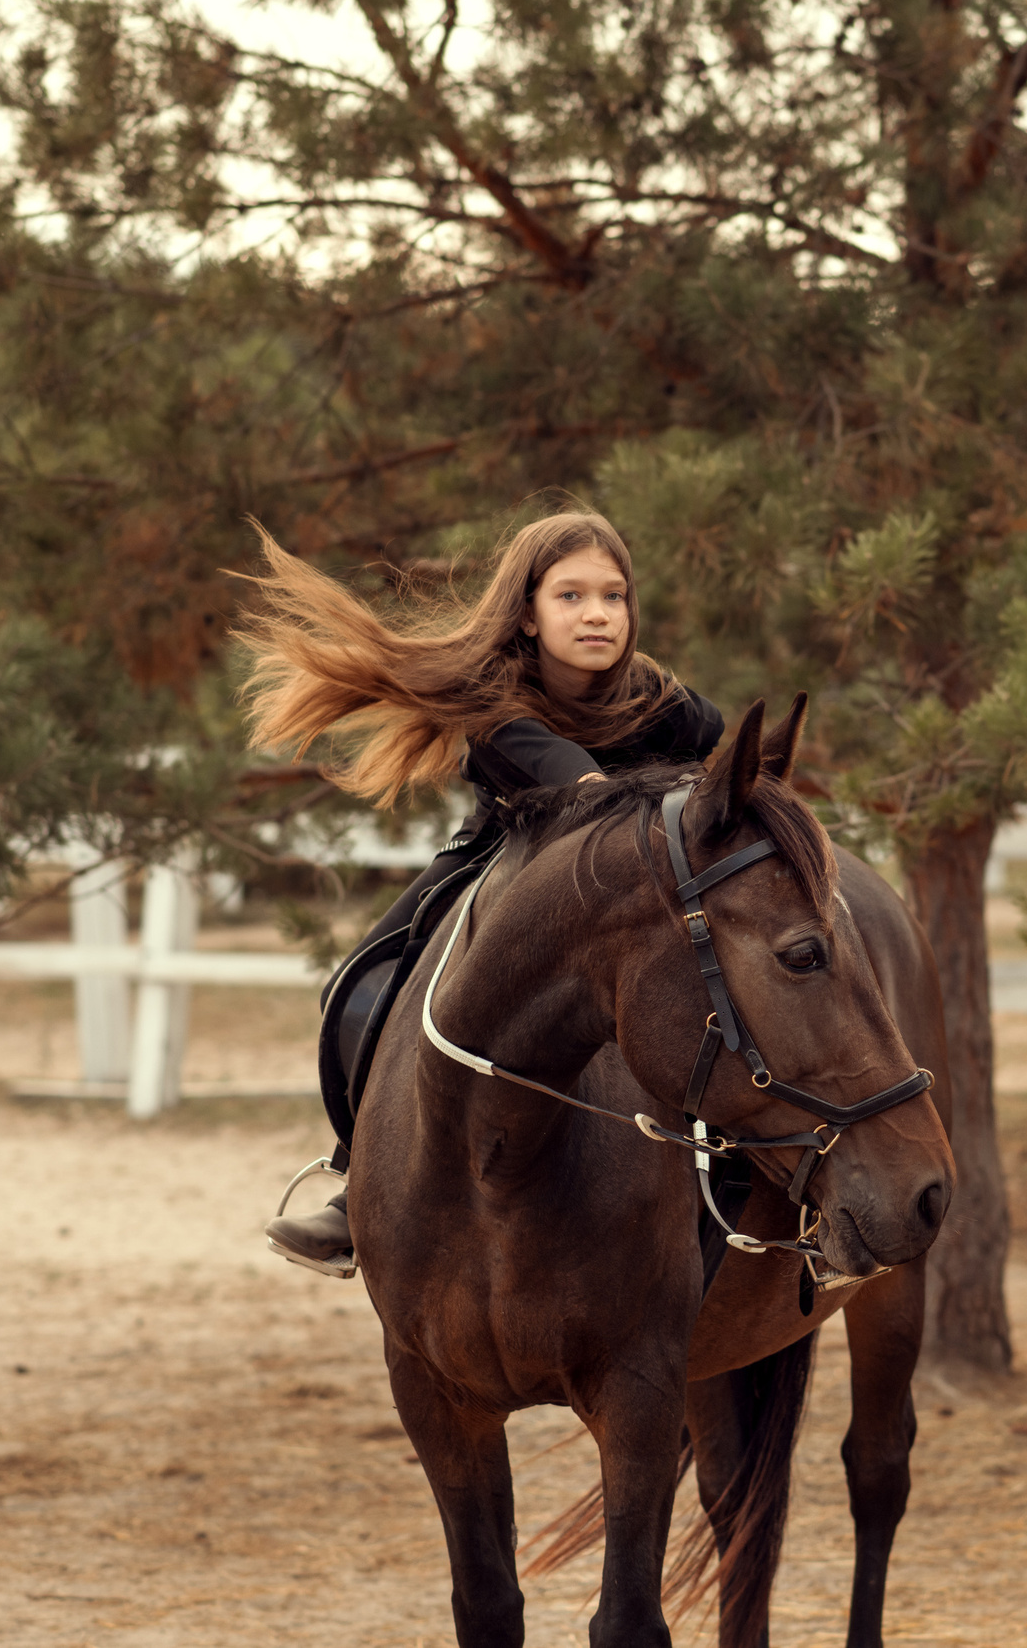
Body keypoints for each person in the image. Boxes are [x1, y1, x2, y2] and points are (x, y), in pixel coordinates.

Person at [238, 508, 723, 1274]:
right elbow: (580, 784)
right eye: (571, 596)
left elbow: (713, 750)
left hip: (638, 870)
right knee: (359, 982)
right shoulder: (493, 700)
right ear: (527, 614)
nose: (597, 613)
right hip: (506, 854)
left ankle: (748, 1178)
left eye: (614, 596)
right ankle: (358, 1180)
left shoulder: (664, 700)